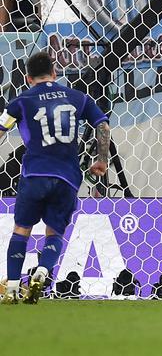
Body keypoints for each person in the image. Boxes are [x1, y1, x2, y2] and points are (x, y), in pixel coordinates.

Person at [0, 52, 110, 305]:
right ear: (55, 73)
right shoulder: (78, 97)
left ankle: (14, 288)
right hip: (67, 177)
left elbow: (1, 128)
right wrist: (102, 159)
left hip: (35, 173)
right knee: (54, 233)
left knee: (22, 230)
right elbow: (103, 125)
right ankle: (42, 271)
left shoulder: (22, 100)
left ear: (28, 78)